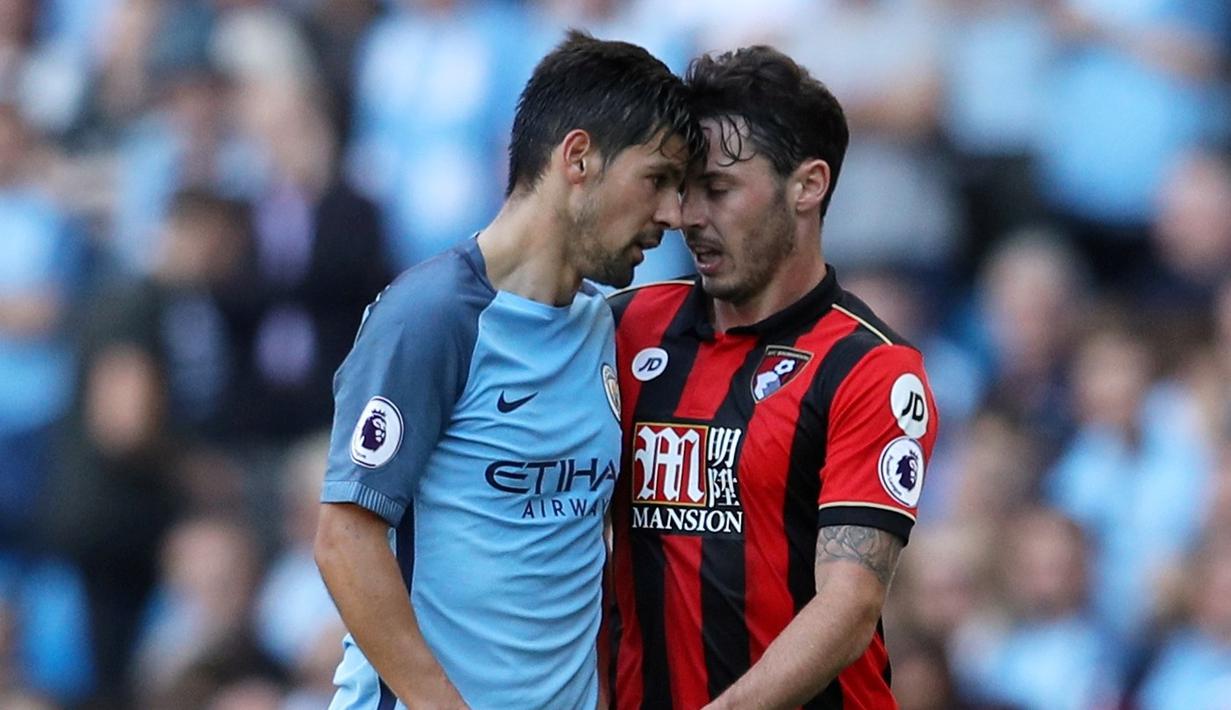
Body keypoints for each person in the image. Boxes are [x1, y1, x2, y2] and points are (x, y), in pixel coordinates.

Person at [313, 30, 700, 710]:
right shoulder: (432, 317)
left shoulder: (605, 328)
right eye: (657, 179)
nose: (671, 215)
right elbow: (345, 539)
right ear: (578, 158)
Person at [607, 46, 939, 709]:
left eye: (719, 189)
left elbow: (847, 607)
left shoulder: (870, 368)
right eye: (682, 187)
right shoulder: (622, 329)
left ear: (807, 185)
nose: (687, 216)